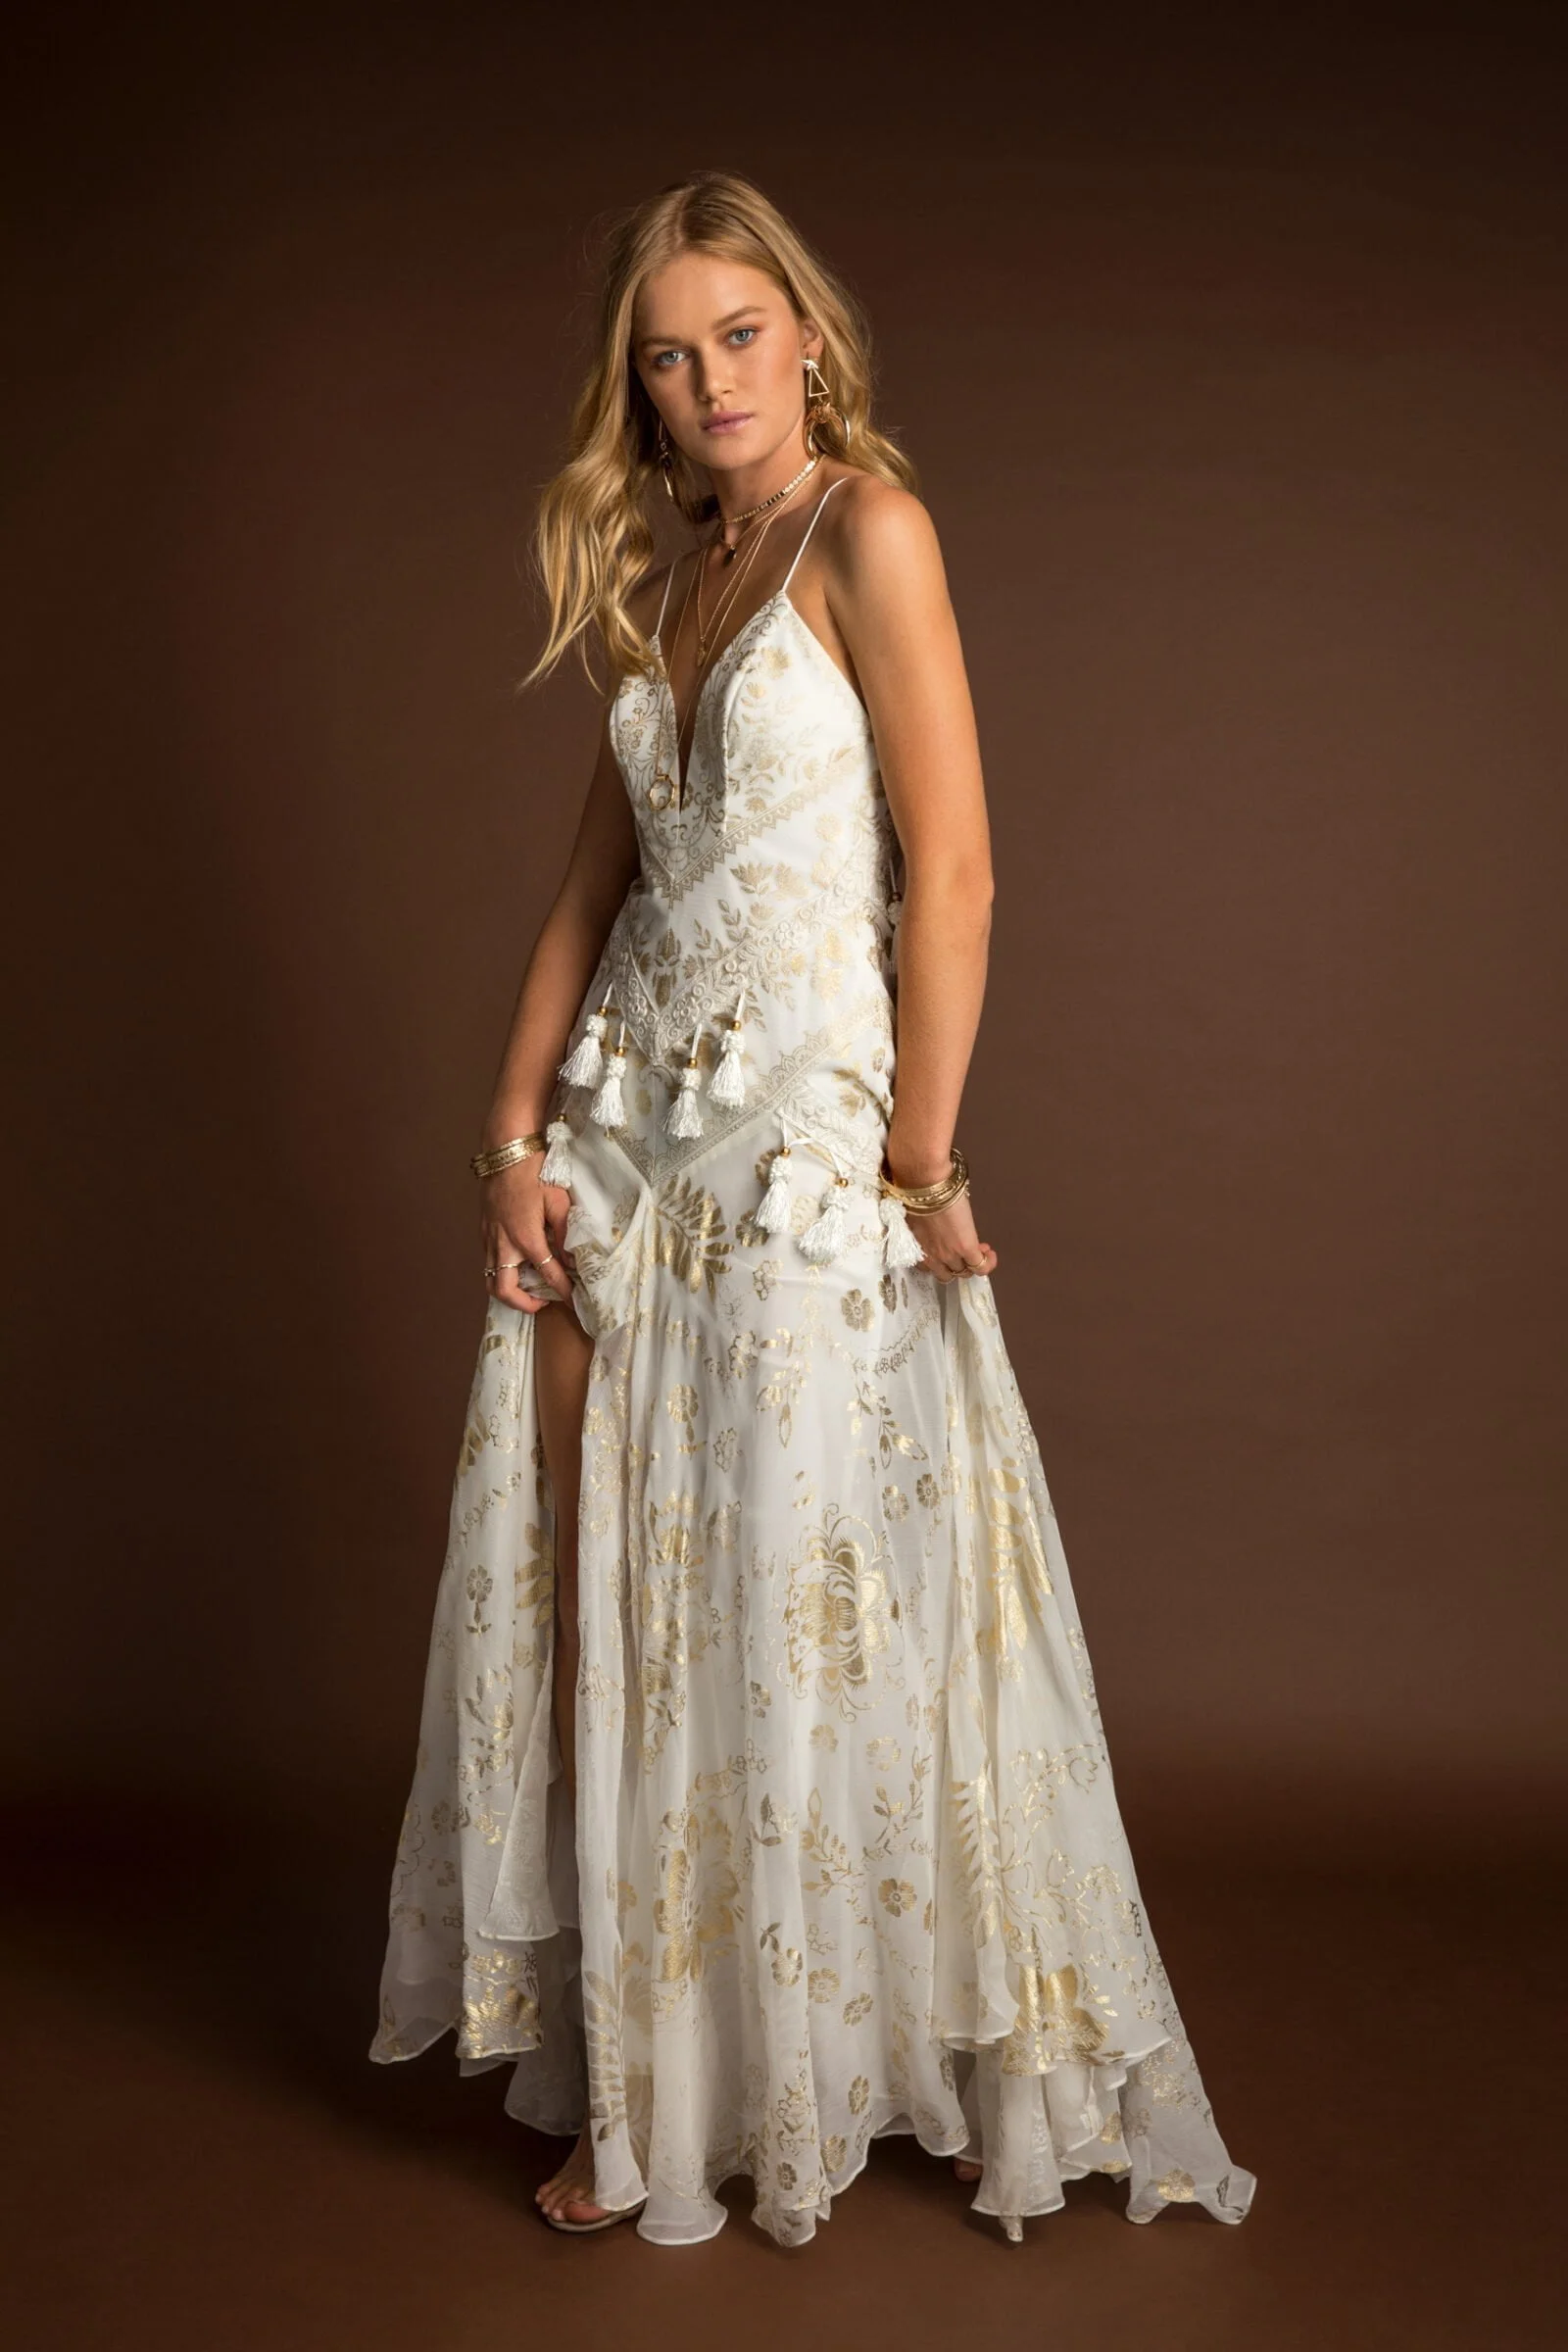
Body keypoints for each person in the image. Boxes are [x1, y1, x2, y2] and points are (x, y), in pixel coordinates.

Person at [368, 169, 1256, 2251]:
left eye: (739, 334)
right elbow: (597, 881)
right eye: (667, 357)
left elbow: (954, 871)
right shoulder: (674, 571)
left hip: (795, 1143)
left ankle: (805, 2070)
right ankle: (648, 2088)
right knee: (614, 1596)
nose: (709, 381)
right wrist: (508, 1127)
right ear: (640, 393)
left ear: (807, 334)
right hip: (624, 1137)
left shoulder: (870, 531)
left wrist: (916, 1159)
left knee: (792, 1588)